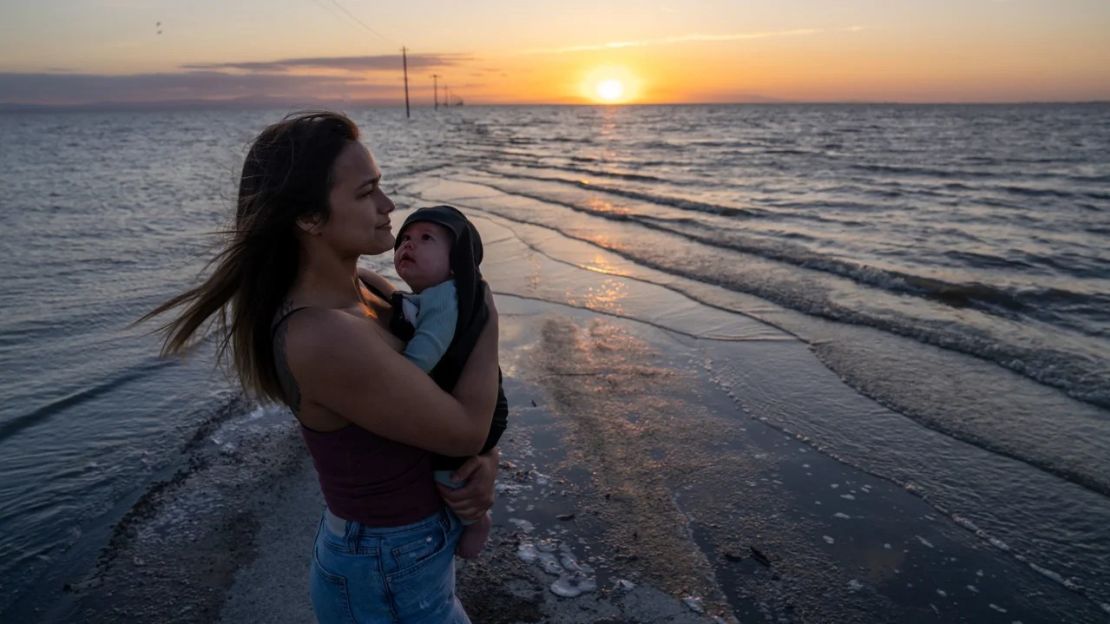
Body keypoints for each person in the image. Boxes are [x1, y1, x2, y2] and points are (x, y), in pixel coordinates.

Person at [143, 111, 500, 623]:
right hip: (383, 569)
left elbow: (450, 384)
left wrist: (484, 464)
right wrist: (483, 310)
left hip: (411, 556)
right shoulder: (320, 335)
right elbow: (464, 427)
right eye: (366, 193)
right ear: (309, 218)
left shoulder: (371, 290)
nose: (388, 205)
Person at [387, 205, 509, 559]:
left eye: (427, 239)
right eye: (405, 238)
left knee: (449, 469)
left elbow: (426, 352)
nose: (409, 245)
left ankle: (473, 521)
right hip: (472, 401)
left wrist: (394, 373)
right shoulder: (439, 295)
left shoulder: (445, 299)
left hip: (479, 414)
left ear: (456, 262)